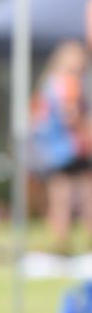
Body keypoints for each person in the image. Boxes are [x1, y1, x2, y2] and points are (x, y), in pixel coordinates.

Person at [31, 40, 92, 254]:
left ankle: (62, 243)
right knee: (77, 195)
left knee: (63, 195)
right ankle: (66, 242)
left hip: (54, 149)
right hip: (69, 148)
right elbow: (70, 115)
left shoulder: (49, 83)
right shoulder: (67, 84)